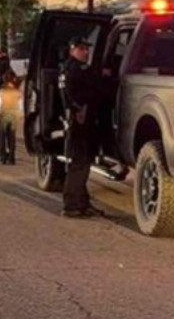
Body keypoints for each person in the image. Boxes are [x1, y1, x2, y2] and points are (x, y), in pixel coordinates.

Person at [60, 36, 104, 218]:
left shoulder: (70, 69)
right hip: (79, 121)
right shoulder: (75, 70)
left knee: (82, 164)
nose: (86, 52)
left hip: (80, 121)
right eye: (81, 49)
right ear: (72, 50)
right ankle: (72, 205)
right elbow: (77, 96)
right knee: (79, 164)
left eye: (86, 49)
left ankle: (82, 203)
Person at [0, 69, 22, 165]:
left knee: (2, 136)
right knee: (12, 137)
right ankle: (11, 157)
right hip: (14, 114)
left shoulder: (2, 91)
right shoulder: (17, 92)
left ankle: (3, 156)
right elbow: (20, 105)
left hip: (4, 114)